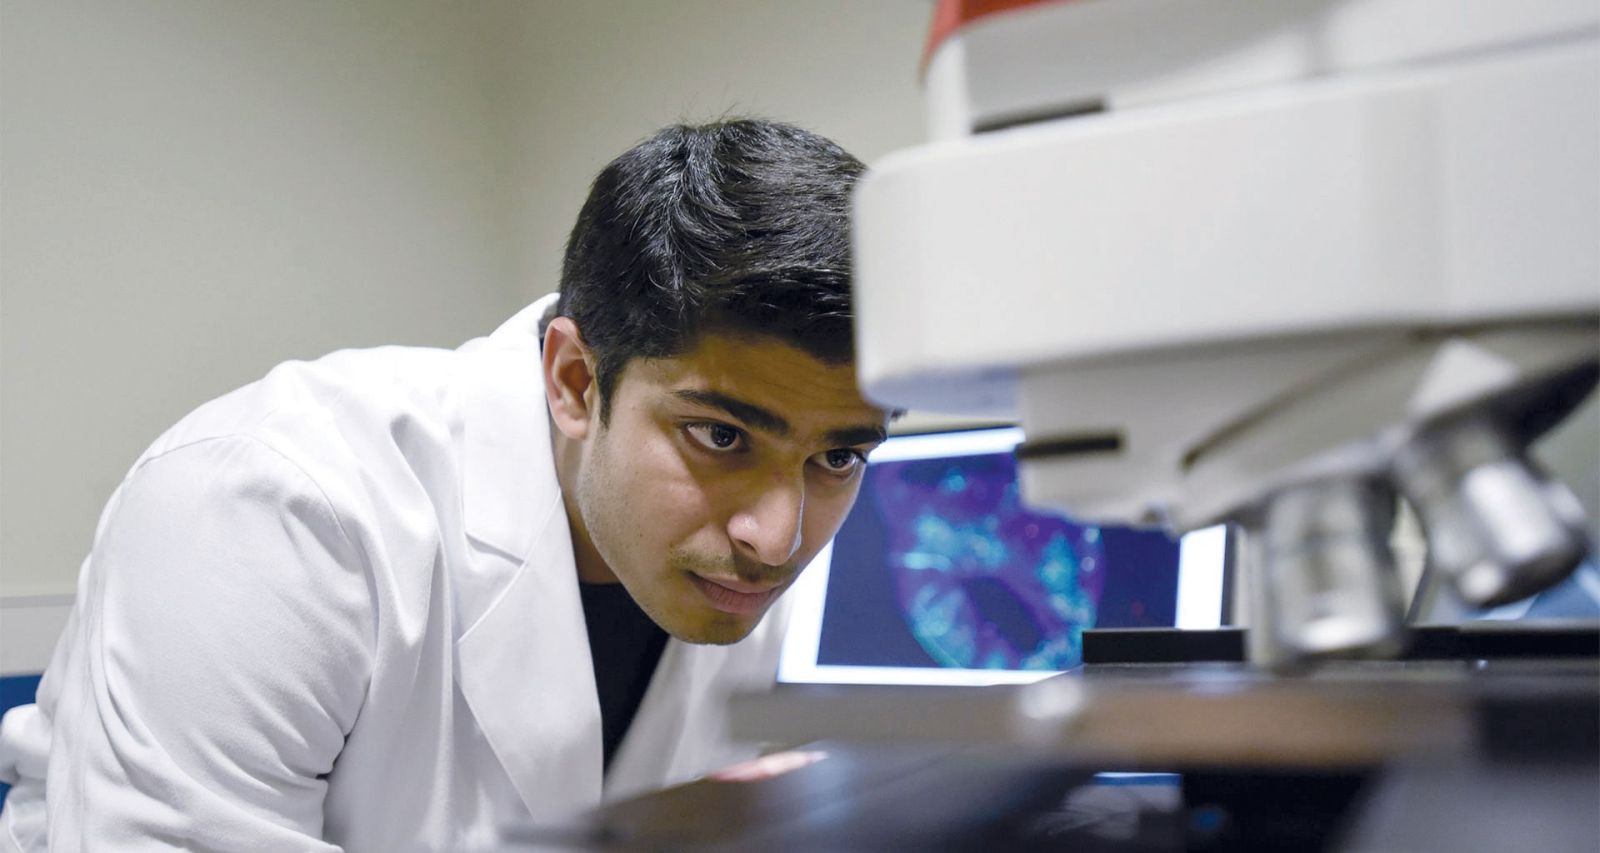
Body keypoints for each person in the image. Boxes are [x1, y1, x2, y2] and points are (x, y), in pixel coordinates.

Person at [0, 119, 890, 851]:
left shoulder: (731, 568)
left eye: (840, 456)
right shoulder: (272, 508)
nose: (778, 539)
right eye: (721, 437)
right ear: (575, 381)